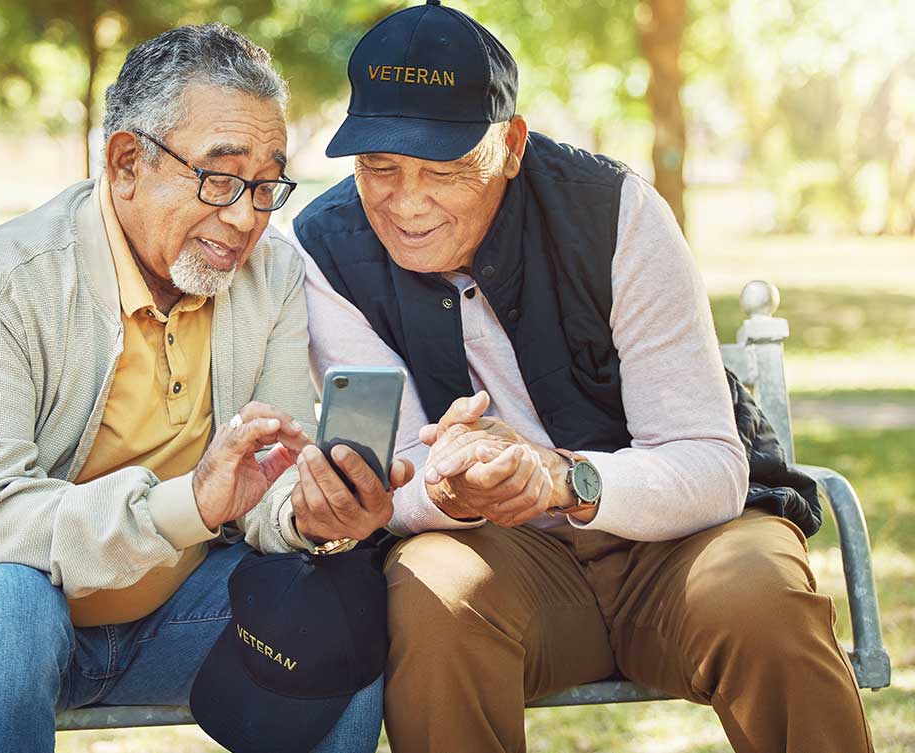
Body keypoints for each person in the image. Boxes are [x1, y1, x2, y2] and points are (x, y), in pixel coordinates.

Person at [290, 2, 875, 752]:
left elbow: (710, 461)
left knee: (763, 590)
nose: (407, 205)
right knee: (432, 592)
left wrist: (562, 479)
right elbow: (386, 476)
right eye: (379, 168)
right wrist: (440, 486)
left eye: (442, 170)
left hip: (676, 544)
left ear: (510, 145)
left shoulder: (616, 212)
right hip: (500, 559)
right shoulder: (324, 251)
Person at [0, 23, 410, 753]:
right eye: (221, 177)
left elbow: (269, 487)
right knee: (15, 603)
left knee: (341, 624)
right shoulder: (9, 280)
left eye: (267, 184)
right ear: (127, 161)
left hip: (171, 616)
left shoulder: (269, 275)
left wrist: (310, 512)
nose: (246, 217)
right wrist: (188, 503)